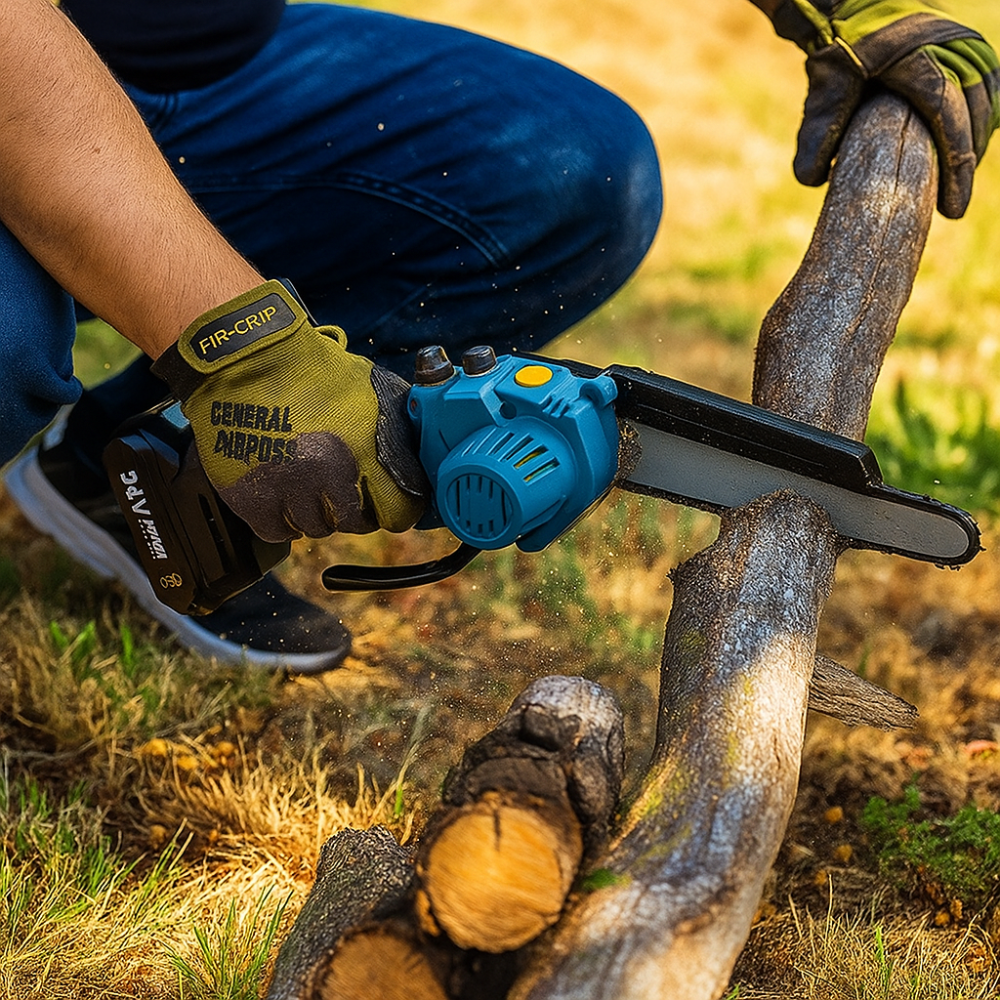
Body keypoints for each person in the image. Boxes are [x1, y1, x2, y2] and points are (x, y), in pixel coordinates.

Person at [1, 0, 995, 672]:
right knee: (13, 341)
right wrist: (243, 350)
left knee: (567, 173)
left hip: (194, 74)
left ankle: (152, 478)